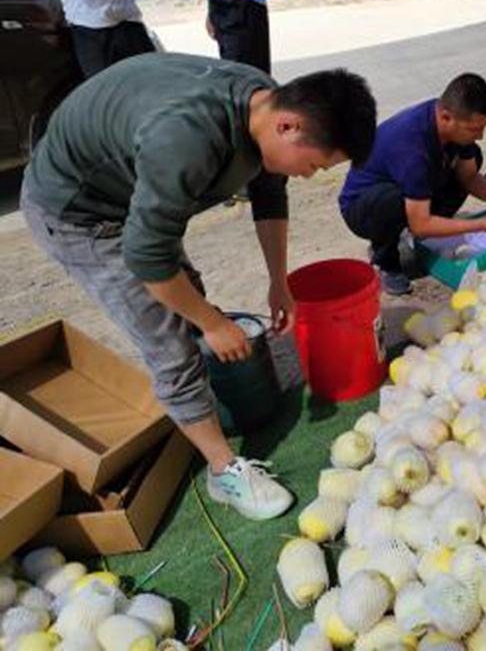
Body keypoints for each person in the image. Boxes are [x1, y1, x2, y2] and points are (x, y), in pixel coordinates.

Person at [21, 53, 376, 520]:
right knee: (169, 339)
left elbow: (269, 191)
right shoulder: (187, 138)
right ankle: (223, 470)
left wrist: (278, 282)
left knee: (188, 300)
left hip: (130, 194)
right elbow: (147, 259)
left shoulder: (263, 100)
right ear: (288, 126)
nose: (309, 175)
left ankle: (209, 406)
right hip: (80, 215)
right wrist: (210, 324)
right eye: (313, 164)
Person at [340, 73, 486, 296]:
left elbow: (469, 177)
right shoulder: (413, 150)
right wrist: (483, 225)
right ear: (446, 117)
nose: (480, 135)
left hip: (407, 185)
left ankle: (427, 230)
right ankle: (385, 260)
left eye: (484, 127)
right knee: (394, 203)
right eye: (474, 129)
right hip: (363, 206)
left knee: (472, 156)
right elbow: (421, 224)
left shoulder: (454, 123)